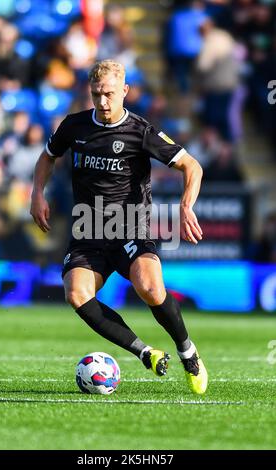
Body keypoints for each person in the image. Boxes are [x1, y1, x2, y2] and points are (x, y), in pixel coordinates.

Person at [30, 60, 208, 395]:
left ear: (124, 91)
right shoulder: (74, 126)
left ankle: (187, 351)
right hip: (88, 230)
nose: (103, 102)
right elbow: (47, 157)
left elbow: (191, 165)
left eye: (109, 94)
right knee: (77, 294)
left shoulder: (140, 131)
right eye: (96, 94)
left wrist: (186, 206)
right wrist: (37, 193)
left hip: (130, 229)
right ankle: (145, 352)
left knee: (151, 290)